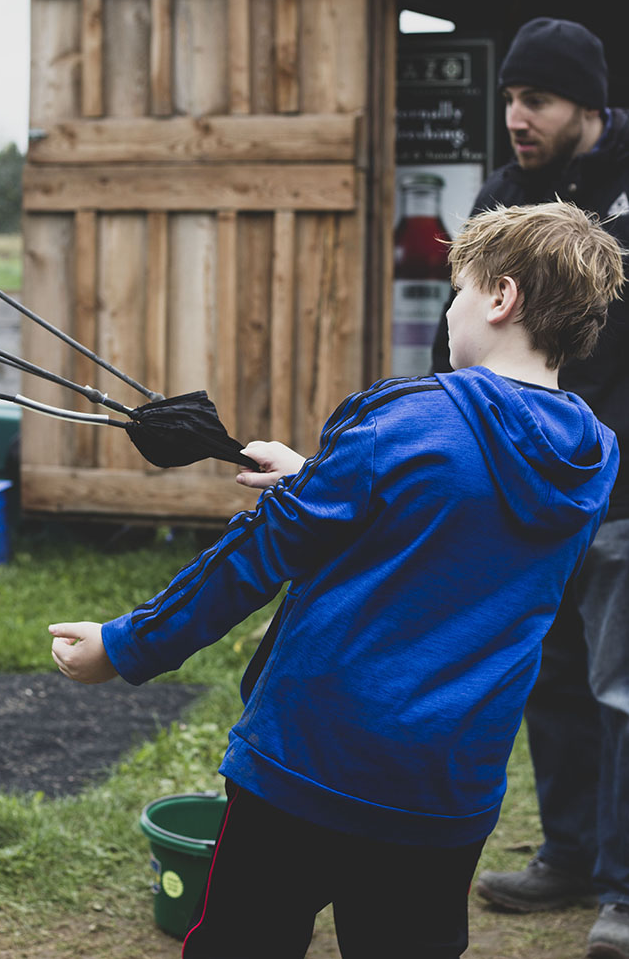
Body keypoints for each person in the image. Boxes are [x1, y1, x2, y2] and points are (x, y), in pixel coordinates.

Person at [50, 201, 622, 959]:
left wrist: (125, 646)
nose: (450, 310)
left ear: (500, 297)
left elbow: (255, 556)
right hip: (447, 790)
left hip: (310, 764)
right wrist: (318, 479)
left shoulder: (404, 419)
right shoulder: (592, 457)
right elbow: (458, 530)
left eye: (459, 290)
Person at [430, 17, 629, 959]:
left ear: (586, 106)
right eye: (510, 97)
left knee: (621, 684)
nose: (516, 115)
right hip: (519, 497)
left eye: (536, 99)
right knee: (547, 677)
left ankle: (625, 889)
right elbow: (455, 337)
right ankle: (569, 853)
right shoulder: (504, 194)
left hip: (619, 491)